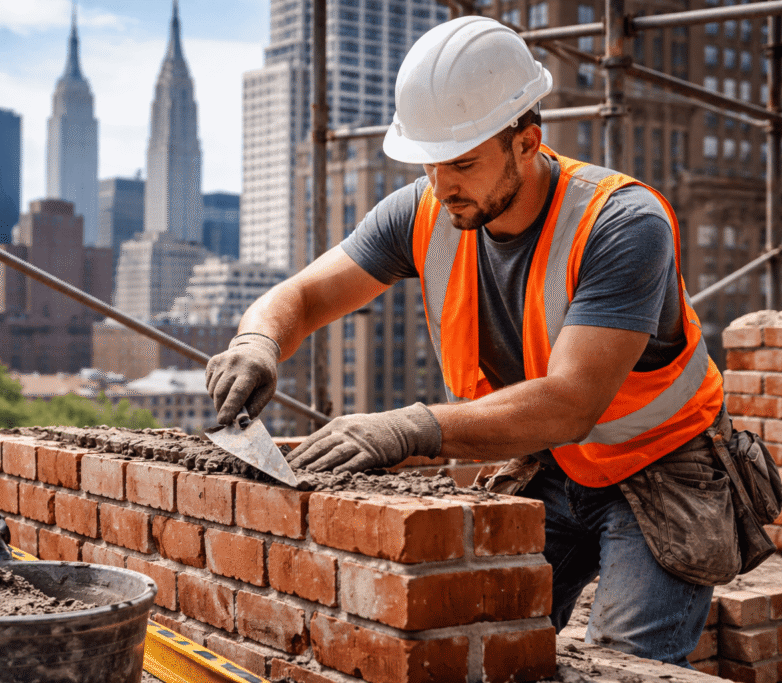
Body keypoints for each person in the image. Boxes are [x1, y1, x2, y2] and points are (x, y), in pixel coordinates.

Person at [206, 15, 741, 667]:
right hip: (551, 463)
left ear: (526, 141)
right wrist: (258, 341)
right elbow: (306, 295)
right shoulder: (427, 210)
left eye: (462, 162)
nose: (441, 183)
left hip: (659, 466)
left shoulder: (622, 223)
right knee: (481, 638)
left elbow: (575, 401)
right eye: (430, 162)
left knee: (622, 665)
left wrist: (409, 428)